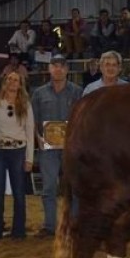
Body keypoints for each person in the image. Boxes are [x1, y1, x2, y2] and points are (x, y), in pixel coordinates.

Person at [31, 55, 83, 238]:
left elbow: (82, 118)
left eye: (62, 66)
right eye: (54, 66)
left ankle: (74, 226)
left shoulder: (77, 92)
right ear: (49, 69)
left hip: (72, 149)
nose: (58, 69)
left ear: (67, 69)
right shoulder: (39, 93)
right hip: (48, 149)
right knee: (48, 188)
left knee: (74, 188)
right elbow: (34, 120)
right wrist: (38, 139)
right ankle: (50, 226)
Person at [0, 72, 35, 240]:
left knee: (19, 193)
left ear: (20, 84)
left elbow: (30, 131)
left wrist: (29, 158)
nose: (12, 82)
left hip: (18, 151)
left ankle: (19, 231)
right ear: (4, 82)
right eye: (9, 79)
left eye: (16, 80)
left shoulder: (26, 104)